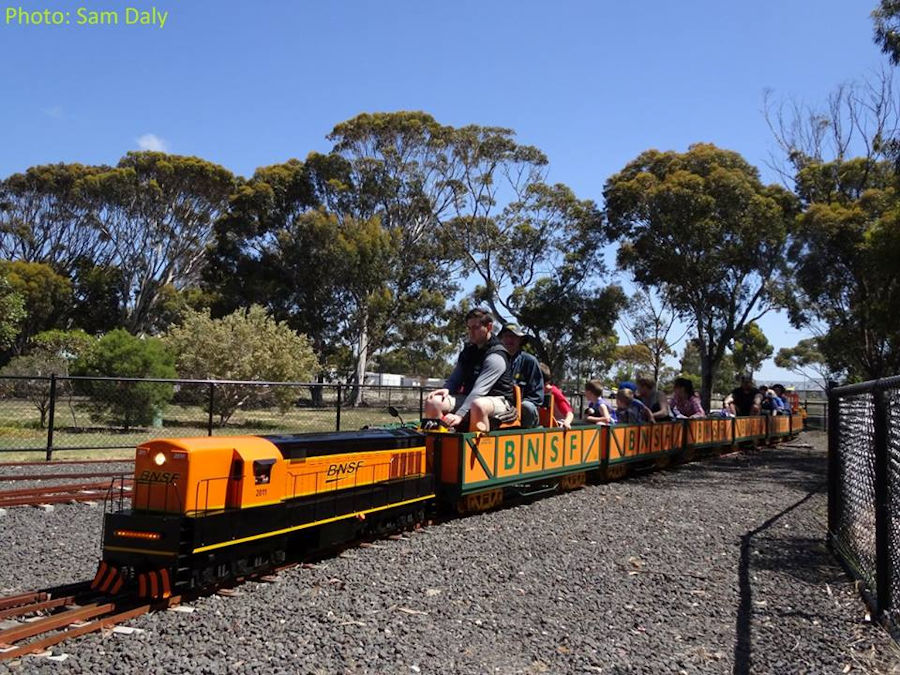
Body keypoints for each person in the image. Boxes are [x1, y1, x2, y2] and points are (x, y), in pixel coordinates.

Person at [423, 308, 517, 432]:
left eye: (476, 328)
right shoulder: (468, 352)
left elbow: (480, 390)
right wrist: (447, 389)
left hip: (499, 401)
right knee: (433, 402)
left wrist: (460, 414)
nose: (471, 332)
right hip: (470, 398)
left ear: (489, 327)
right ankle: (441, 439)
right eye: (469, 328)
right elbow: (455, 379)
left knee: (478, 405)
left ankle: (475, 444)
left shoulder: (496, 355)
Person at [498, 323, 543, 428]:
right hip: (501, 405)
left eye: (513, 336)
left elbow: (537, 397)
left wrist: (517, 407)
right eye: (506, 336)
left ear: (520, 340)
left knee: (527, 407)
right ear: (501, 339)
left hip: (523, 410)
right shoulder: (494, 360)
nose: (509, 340)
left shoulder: (530, 361)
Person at [539, 363, 574, 429]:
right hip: (545, 425)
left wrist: (566, 422)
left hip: (558, 425)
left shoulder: (554, 392)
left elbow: (569, 413)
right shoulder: (535, 393)